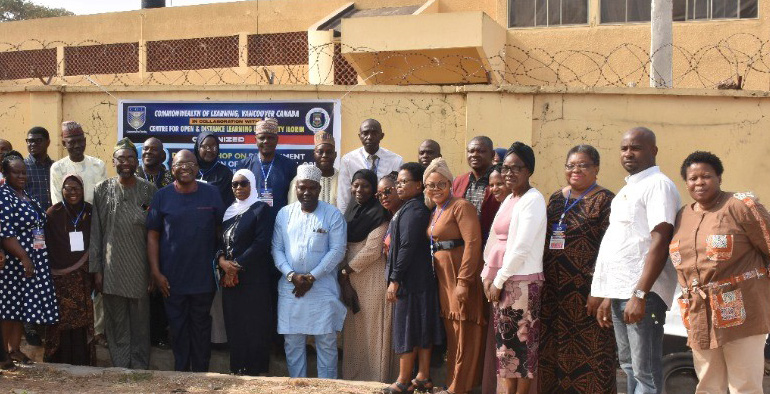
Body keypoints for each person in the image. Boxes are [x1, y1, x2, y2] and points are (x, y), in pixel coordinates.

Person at [591, 127, 681, 394]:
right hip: (622, 292)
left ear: (653, 151)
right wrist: (610, 294)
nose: (628, 153)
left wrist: (640, 294)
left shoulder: (658, 185)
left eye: (636, 148)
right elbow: (620, 244)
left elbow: (660, 241)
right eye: (624, 148)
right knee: (629, 366)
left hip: (644, 293)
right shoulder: (628, 190)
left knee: (645, 371)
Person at [671, 151, 770, 392]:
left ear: (719, 178)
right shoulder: (683, 214)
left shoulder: (740, 205)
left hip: (741, 310)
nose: (699, 182)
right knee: (707, 384)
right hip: (698, 314)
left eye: (706, 176)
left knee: (744, 384)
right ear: (686, 182)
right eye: (693, 178)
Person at [539, 145, 617, 393]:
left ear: (596, 168)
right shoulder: (555, 199)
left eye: (583, 165)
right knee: (552, 353)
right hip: (553, 293)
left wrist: (600, 290)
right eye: (570, 165)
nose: (576, 170)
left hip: (586, 293)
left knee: (592, 354)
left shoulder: (606, 200)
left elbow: (611, 248)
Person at [146, 149, 225, 372]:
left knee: (200, 327)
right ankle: (181, 372)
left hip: (203, 277)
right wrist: (156, 272)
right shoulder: (162, 196)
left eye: (190, 163)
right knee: (178, 327)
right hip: (171, 279)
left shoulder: (211, 193)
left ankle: (201, 373)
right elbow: (153, 235)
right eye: (180, 164)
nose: (185, 167)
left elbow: (221, 230)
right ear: (172, 169)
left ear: (197, 168)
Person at [272, 164, 347, 378]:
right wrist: (291, 275)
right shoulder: (284, 214)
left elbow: (338, 250)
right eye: (302, 187)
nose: (306, 192)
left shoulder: (332, 215)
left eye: (312, 188)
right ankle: (298, 387)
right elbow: (276, 249)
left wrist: (312, 276)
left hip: (322, 288)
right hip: (290, 288)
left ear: (319, 188)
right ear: (296, 187)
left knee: (326, 341)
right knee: (293, 342)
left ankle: (327, 389)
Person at [485, 142, 547, 394]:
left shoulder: (533, 200)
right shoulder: (510, 198)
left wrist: (498, 280)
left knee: (520, 348)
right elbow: (493, 238)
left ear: (529, 170)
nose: (509, 173)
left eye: (516, 168)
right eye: (505, 168)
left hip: (522, 283)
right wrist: (486, 275)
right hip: (503, 281)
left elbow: (520, 248)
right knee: (505, 349)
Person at [90, 138, 156, 369]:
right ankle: (120, 366)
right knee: (116, 320)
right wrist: (96, 269)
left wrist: (153, 271)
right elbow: (96, 232)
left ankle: (139, 366)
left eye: (130, 158)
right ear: (113, 162)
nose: (126, 163)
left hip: (139, 267)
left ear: (137, 162)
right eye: (121, 158)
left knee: (139, 322)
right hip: (112, 268)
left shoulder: (149, 190)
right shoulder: (102, 190)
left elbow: (154, 233)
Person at [424, 158, 485, 394]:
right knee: (454, 334)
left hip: (460, 277)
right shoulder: (437, 210)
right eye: (431, 185)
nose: (436, 189)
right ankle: (453, 384)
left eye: (441, 184)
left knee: (465, 334)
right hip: (443, 279)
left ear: (450, 184)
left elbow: (473, 242)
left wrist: (464, 281)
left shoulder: (461, 206)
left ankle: (459, 388)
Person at [384, 162, 442, 394]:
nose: (399, 186)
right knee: (421, 329)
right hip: (420, 281)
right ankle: (423, 377)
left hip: (410, 281)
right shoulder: (410, 207)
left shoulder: (415, 210)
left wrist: (395, 279)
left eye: (404, 182)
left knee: (407, 330)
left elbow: (406, 247)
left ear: (419, 185)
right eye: (397, 182)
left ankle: (403, 380)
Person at [50, 121, 108, 345]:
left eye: (79, 141)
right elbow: (57, 202)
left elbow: (101, 200)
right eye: (70, 142)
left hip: (94, 228)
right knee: (72, 282)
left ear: (85, 141)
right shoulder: (58, 168)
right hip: (67, 230)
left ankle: (98, 329)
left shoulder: (97, 165)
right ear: (64, 143)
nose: (76, 146)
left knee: (97, 279)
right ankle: (73, 328)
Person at [0, 153, 59, 366]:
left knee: (19, 307)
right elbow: (6, 233)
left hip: (34, 256)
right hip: (15, 261)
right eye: (16, 172)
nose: (22, 176)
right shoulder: (4, 195)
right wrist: (24, 257)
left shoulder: (25, 194)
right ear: (5, 173)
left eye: (24, 172)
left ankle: (14, 349)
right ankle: (3, 354)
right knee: (8, 307)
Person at [340, 169, 394, 382]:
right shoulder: (351, 211)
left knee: (372, 331)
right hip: (350, 279)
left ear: (373, 191)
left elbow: (372, 250)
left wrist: (345, 271)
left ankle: (375, 378)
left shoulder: (380, 213)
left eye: (365, 186)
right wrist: (344, 276)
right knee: (354, 332)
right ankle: (354, 378)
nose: (359, 190)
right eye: (355, 185)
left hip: (371, 278)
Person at [218, 169, 274, 375]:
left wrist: (236, 266)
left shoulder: (261, 209)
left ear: (252, 185)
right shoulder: (228, 211)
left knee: (255, 325)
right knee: (235, 324)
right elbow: (220, 243)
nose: (239, 188)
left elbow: (261, 243)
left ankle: (256, 371)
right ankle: (238, 369)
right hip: (231, 281)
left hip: (254, 280)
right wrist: (223, 263)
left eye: (244, 183)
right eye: (235, 184)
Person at [43, 174, 95, 365]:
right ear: (61, 190)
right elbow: (46, 244)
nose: (73, 192)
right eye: (68, 188)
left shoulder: (90, 212)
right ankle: (61, 360)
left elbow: (96, 241)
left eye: (77, 188)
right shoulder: (53, 213)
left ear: (83, 190)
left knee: (81, 321)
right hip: (59, 277)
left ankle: (81, 361)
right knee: (61, 321)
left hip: (83, 276)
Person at [193, 130, 234, 347]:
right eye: (204, 146)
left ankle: (218, 340)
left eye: (213, 146)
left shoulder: (225, 175)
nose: (209, 150)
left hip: (214, 239)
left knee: (214, 291)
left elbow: (227, 210)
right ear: (197, 148)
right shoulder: (190, 170)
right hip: (190, 241)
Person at [136, 136, 173, 349]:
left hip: (165, 241)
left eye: (153, 150)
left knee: (160, 288)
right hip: (138, 240)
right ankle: (141, 335)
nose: (148, 152)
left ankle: (159, 334)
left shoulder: (169, 178)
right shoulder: (134, 175)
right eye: (146, 149)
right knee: (141, 289)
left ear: (162, 155)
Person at [480, 163, 510, 394]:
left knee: (511, 349)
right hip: (494, 281)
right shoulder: (503, 207)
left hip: (510, 281)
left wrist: (497, 280)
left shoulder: (521, 205)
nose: (495, 188)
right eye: (491, 185)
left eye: (499, 183)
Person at [337, 119, 403, 213]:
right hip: (358, 214)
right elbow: (344, 195)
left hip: (386, 214)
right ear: (360, 136)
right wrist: (343, 220)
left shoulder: (396, 160)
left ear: (382, 136)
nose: (369, 137)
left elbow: (399, 193)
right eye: (365, 133)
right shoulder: (348, 160)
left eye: (374, 133)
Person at [237, 118, 298, 213]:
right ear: (255, 140)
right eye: (262, 138)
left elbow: (294, 198)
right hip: (252, 223)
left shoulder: (289, 165)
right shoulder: (244, 165)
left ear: (277, 140)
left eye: (270, 138)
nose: (266, 141)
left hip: (281, 221)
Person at [452, 136, 501, 242]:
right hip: (462, 245)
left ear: (492, 155)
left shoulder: (501, 182)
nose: (474, 155)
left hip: (489, 245)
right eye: (471, 151)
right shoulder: (458, 181)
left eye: (481, 151)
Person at [288, 130, 339, 206]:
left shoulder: (342, 179)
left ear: (335, 155)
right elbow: (292, 208)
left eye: (329, 152)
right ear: (314, 154)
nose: (324, 155)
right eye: (320, 152)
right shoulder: (300, 179)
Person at [24, 127, 54, 210]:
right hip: (31, 218)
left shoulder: (55, 167)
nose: (33, 144)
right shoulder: (21, 167)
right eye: (30, 141)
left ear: (48, 142)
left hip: (54, 219)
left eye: (38, 140)